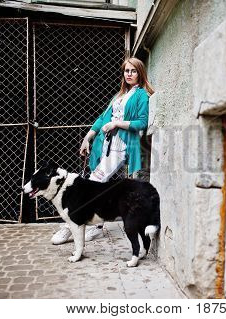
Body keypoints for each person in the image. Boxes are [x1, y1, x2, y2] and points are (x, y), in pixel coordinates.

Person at [51, 57, 154, 245]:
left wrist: (116, 123)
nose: (129, 74)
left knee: (93, 182)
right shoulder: (119, 96)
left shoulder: (141, 96)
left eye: (133, 71)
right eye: (126, 71)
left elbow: (142, 122)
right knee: (98, 184)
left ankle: (69, 227)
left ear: (140, 73)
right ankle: (95, 226)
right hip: (105, 144)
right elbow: (101, 118)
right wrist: (87, 137)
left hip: (121, 145)